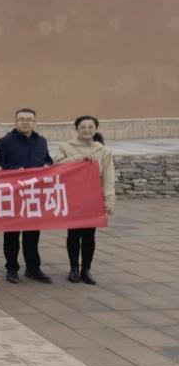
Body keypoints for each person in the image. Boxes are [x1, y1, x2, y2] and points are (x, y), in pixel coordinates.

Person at [54, 115, 116, 285]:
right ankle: (73, 268)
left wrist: (109, 200)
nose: (86, 130)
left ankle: (86, 269)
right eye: (83, 127)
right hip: (72, 197)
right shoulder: (65, 147)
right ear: (77, 129)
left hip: (93, 198)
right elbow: (56, 166)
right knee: (73, 234)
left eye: (90, 127)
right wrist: (77, 159)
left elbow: (108, 177)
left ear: (96, 129)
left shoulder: (103, 151)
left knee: (89, 235)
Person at [0, 108, 53, 284]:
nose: (25, 122)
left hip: (34, 195)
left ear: (35, 122)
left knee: (32, 236)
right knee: (11, 236)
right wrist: (15, 170)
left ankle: (33, 269)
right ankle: (12, 269)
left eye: (29, 119)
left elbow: (48, 160)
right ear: (15, 122)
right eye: (21, 119)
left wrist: (47, 165)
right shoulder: (5, 142)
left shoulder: (41, 141)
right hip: (13, 195)